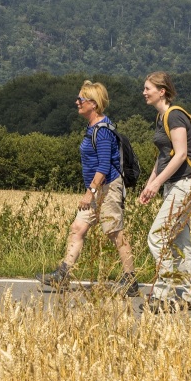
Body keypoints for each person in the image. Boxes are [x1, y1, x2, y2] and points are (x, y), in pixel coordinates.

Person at [37, 80, 139, 296]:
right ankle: (62, 276)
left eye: (80, 99)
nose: (77, 102)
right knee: (78, 228)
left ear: (93, 104)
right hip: (98, 188)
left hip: (107, 188)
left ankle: (131, 280)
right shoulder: (93, 128)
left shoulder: (102, 131)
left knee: (114, 232)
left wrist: (89, 193)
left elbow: (103, 167)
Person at [138, 72, 191, 312]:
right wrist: (150, 184)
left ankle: (162, 294)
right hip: (175, 184)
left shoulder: (175, 115)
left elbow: (180, 154)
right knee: (180, 241)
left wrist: (156, 185)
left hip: (185, 183)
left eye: (148, 88)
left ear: (162, 91)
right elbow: (163, 157)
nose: (144, 92)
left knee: (158, 236)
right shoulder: (162, 118)